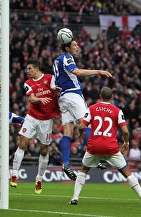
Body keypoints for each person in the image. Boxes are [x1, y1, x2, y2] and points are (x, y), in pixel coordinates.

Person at [68, 87, 141, 207]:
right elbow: (126, 132)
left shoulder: (92, 108)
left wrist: (81, 134)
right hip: (110, 148)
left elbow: (81, 126)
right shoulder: (117, 111)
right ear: (112, 97)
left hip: (94, 147)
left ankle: (75, 198)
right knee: (127, 173)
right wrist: (126, 144)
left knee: (84, 170)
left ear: (100, 96)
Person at [53, 34, 113, 180]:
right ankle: (95, 157)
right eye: (74, 45)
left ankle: (66, 163)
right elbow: (77, 72)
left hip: (63, 98)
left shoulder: (56, 61)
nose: (77, 47)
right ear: (67, 47)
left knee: (68, 131)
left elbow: (54, 81)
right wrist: (98, 71)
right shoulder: (66, 57)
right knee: (86, 124)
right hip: (73, 95)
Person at [10, 58, 61, 194]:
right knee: (23, 143)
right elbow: (32, 98)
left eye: (29, 69)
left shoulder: (50, 78)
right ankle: (14, 174)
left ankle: (39, 178)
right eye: (27, 69)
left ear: (37, 69)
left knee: (44, 150)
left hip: (46, 120)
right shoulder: (28, 83)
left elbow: (56, 92)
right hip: (32, 117)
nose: (27, 71)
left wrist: (57, 92)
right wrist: (40, 99)